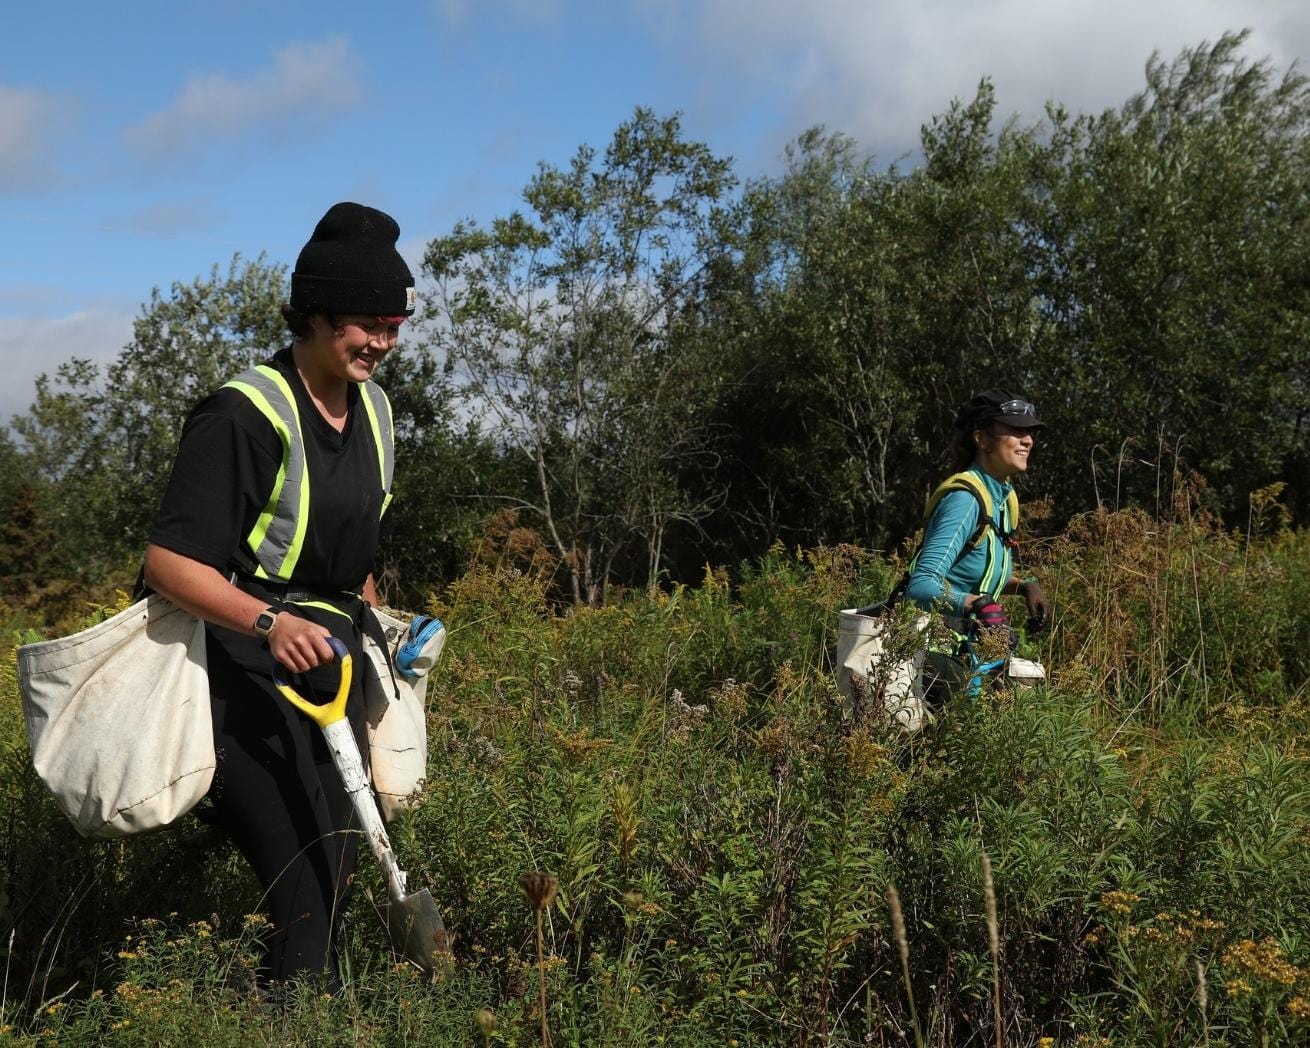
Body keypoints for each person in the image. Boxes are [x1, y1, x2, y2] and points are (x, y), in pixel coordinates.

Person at [143, 201, 414, 989]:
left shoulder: (376, 410)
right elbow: (168, 562)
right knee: (308, 865)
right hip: (224, 661)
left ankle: (283, 1006)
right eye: (370, 323)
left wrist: (387, 625)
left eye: (396, 325)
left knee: (337, 857)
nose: (385, 343)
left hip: (324, 665)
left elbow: (345, 550)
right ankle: (290, 1020)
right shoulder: (241, 414)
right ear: (317, 313)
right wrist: (268, 622)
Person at [903, 389, 1052, 699]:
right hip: (932, 654)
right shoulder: (966, 501)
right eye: (1015, 430)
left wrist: (1025, 586)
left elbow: (971, 575)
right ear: (982, 439)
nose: (1028, 440)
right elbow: (919, 586)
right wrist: (976, 605)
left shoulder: (1003, 498)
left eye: (1029, 432)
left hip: (972, 655)